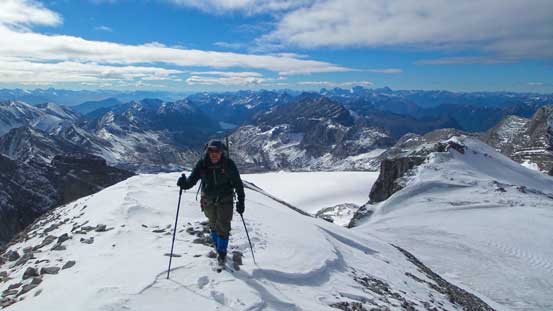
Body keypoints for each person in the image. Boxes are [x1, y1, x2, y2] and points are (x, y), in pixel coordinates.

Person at [177, 140, 245, 265]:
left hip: (225, 200)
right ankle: (217, 245)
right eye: (211, 151)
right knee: (213, 224)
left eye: (217, 151)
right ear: (207, 151)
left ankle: (222, 252)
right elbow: (191, 181)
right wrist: (183, 183)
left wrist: (241, 201)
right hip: (208, 200)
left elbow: (238, 184)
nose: (214, 154)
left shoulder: (229, 164)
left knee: (223, 226)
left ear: (221, 152)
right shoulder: (202, 164)